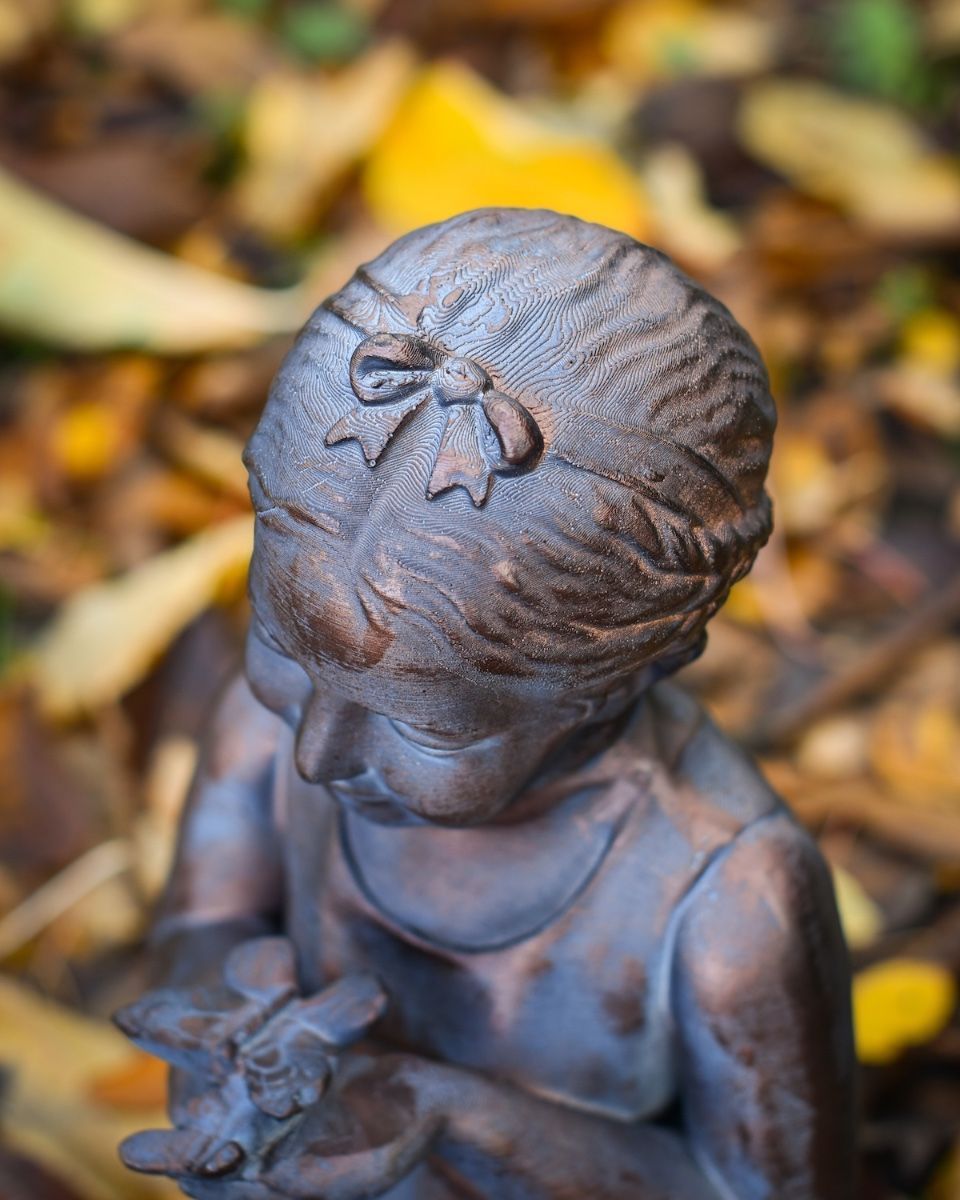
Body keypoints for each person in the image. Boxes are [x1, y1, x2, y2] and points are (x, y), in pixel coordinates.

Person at [118, 209, 856, 1200]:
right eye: (280, 643)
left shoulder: (727, 905)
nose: (317, 756)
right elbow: (202, 922)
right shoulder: (282, 714)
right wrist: (222, 1024)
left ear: (641, 668)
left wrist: (449, 1115)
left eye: (430, 722)